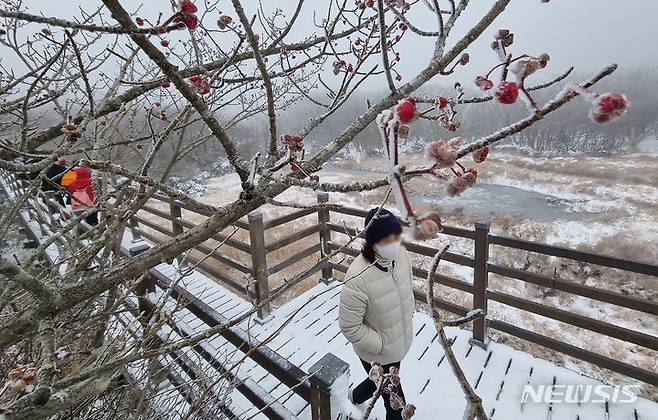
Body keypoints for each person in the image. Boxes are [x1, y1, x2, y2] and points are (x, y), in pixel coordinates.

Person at [339, 208, 414, 420]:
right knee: (396, 405)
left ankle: (355, 396)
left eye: (397, 236)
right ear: (373, 241)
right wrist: (381, 345)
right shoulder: (357, 276)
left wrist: (409, 312)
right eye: (388, 239)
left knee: (379, 381)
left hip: (397, 342)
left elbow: (406, 288)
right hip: (376, 353)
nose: (396, 243)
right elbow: (349, 326)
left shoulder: (402, 257)